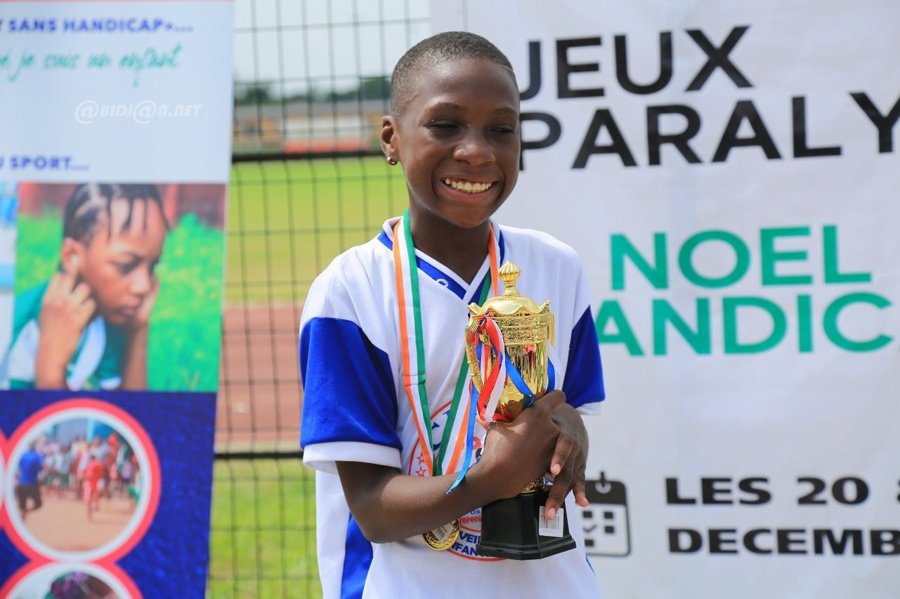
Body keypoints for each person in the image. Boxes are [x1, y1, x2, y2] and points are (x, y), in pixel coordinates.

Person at [299, 32, 606, 598]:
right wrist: (490, 477)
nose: (477, 152)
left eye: (501, 130)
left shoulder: (557, 268)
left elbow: (572, 411)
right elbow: (372, 510)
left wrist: (570, 432)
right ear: (392, 139)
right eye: (445, 125)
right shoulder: (350, 293)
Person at [2, 183, 168, 390]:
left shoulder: (108, 319)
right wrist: (50, 372)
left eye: (152, 267)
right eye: (126, 266)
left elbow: (131, 407)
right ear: (72, 256)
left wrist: (138, 331)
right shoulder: (19, 327)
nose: (144, 286)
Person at [16, 441, 46, 521]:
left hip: (21, 484)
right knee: (38, 504)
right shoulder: (37, 456)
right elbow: (43, 466)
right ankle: (26, 511)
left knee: (22, 506)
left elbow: (19, 467)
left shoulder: (23, 455)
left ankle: (23, 515)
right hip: (32, 485)